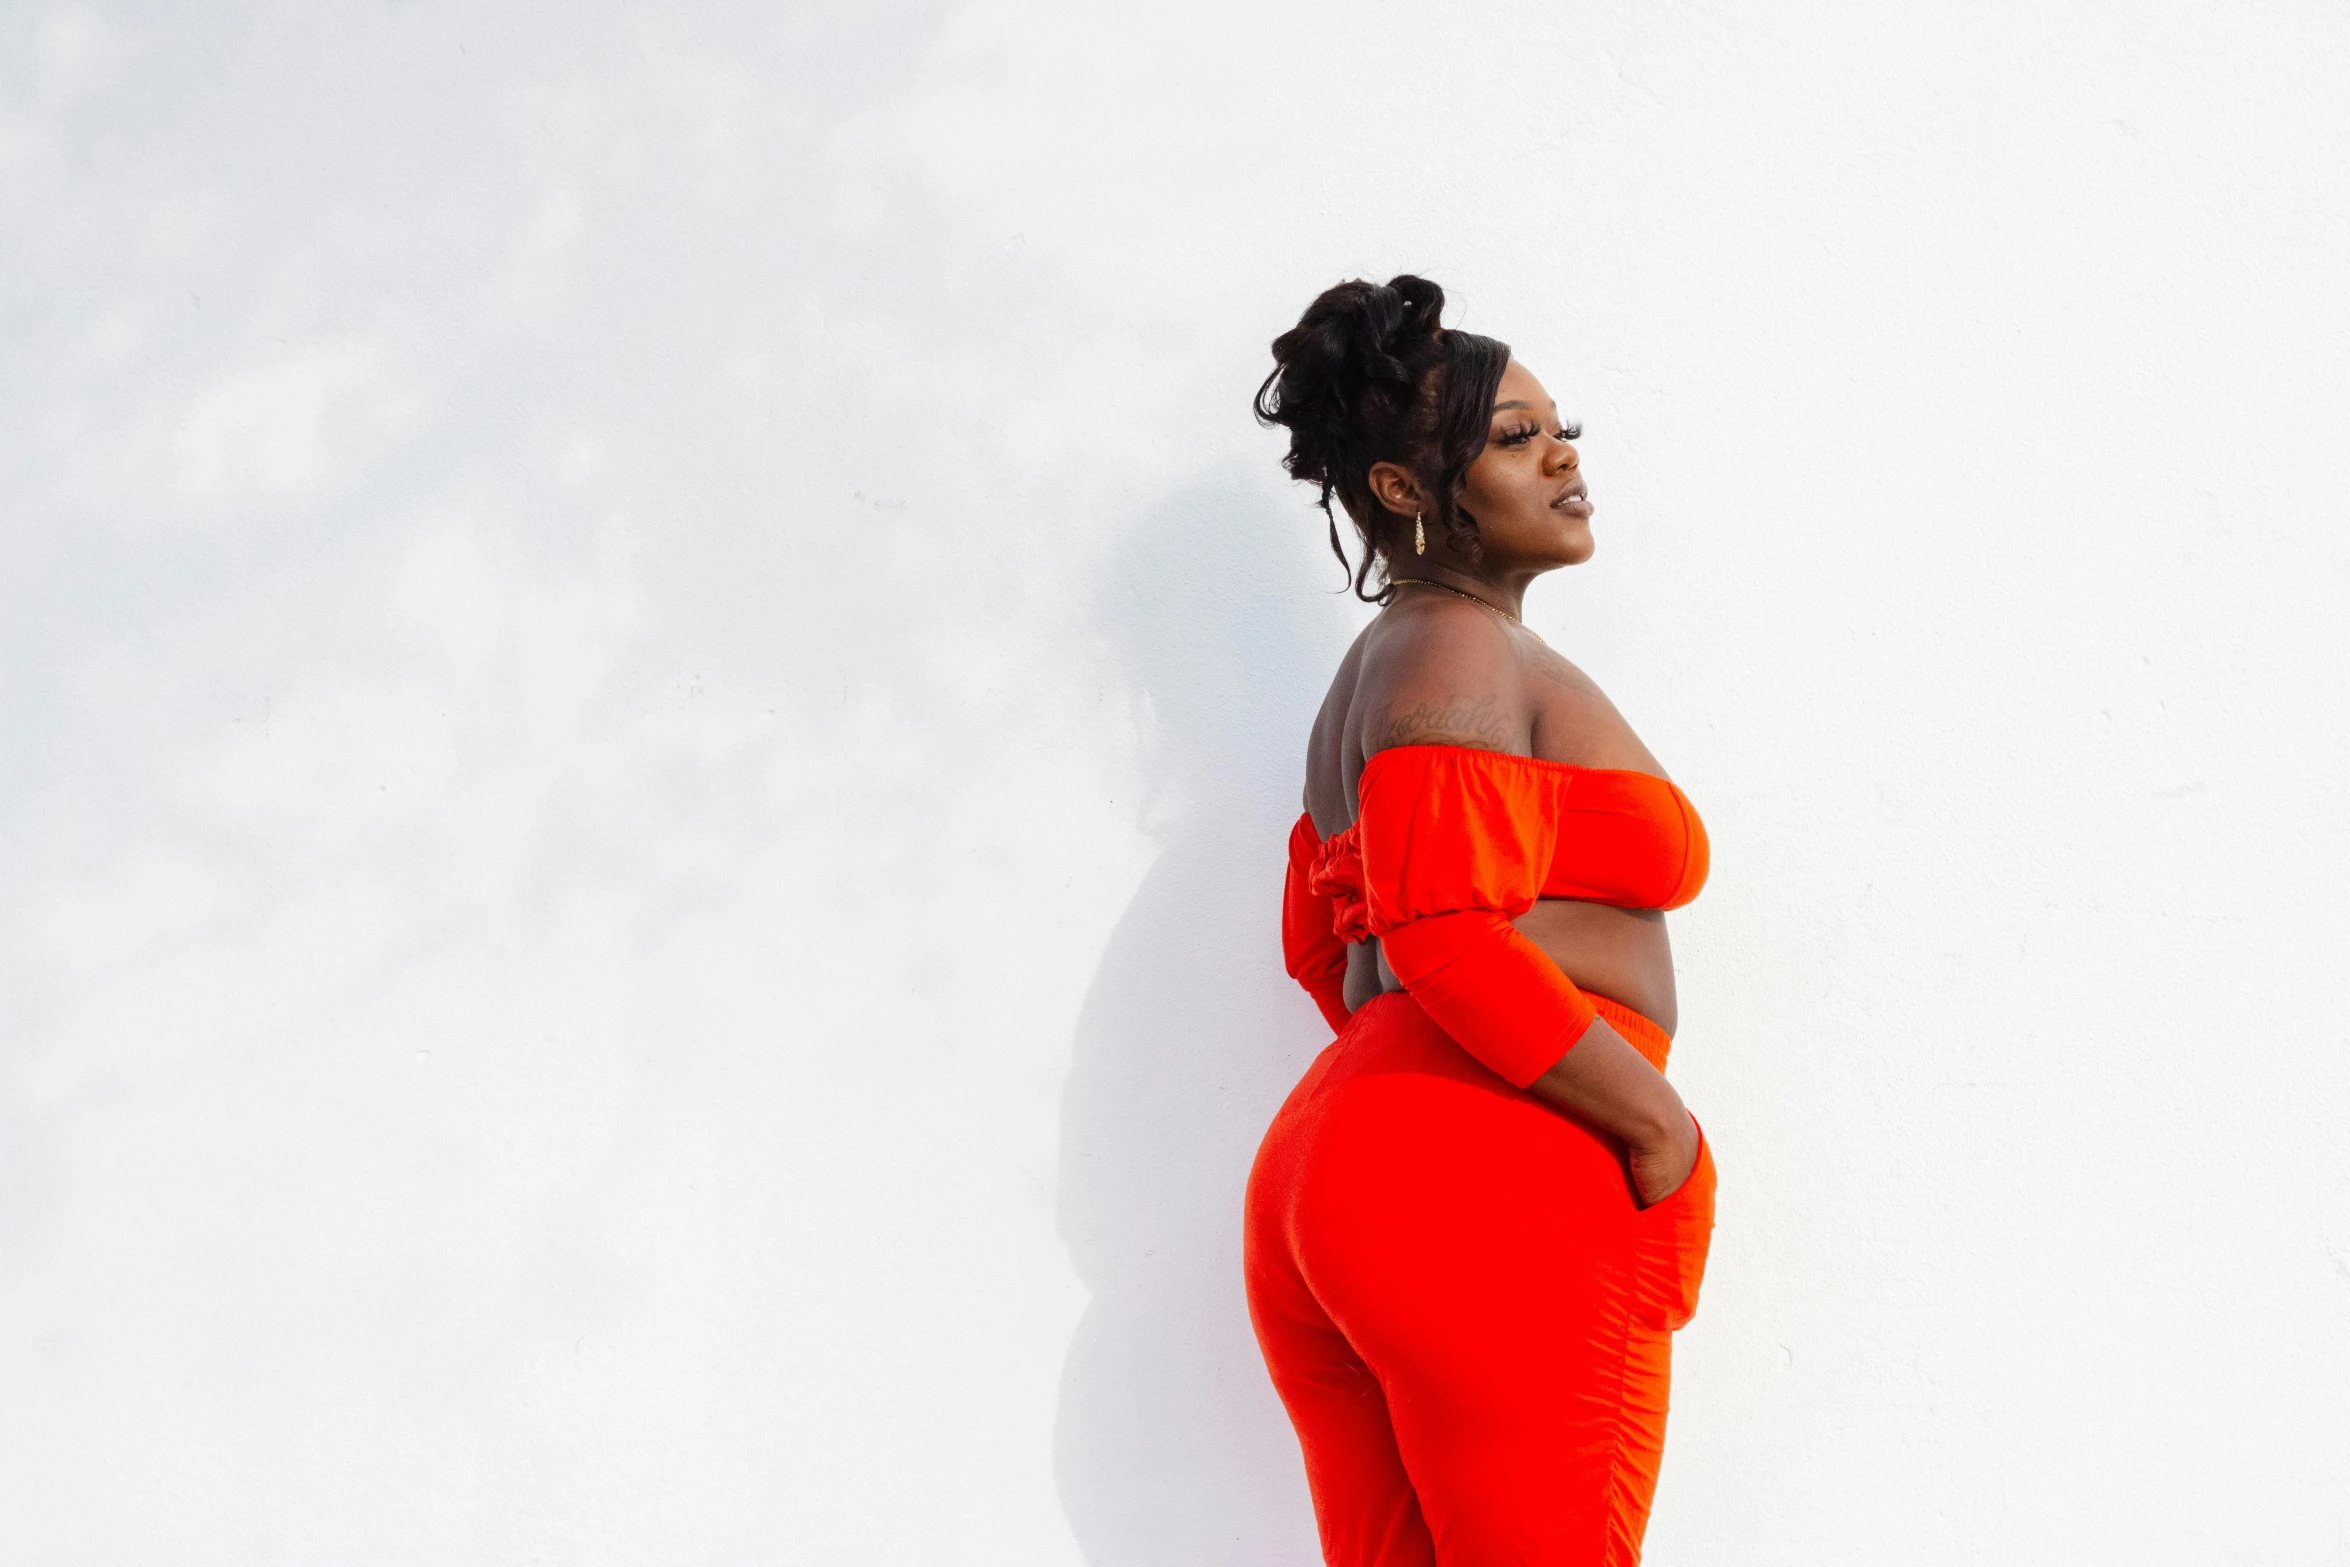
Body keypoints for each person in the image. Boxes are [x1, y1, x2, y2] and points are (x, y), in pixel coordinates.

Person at [1244, 275, 1718, 1566]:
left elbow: (1335, 963)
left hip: (1352, 1162)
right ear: (1406, 490)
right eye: (1514, 436)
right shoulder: (1459, 653)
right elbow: (1438, 936)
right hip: (1490, 1162)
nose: (1563, 454)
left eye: (1562, 428)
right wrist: (1658, 1125)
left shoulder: (1385, 675)